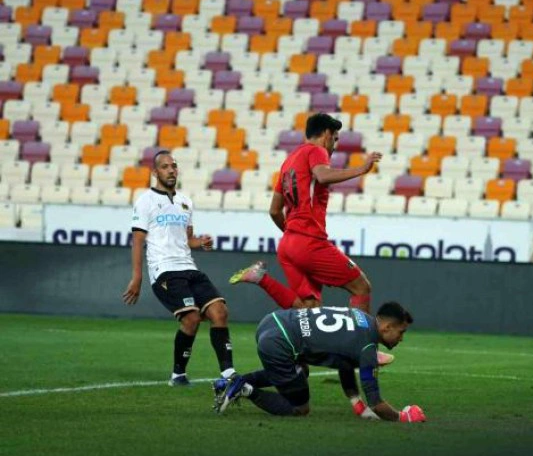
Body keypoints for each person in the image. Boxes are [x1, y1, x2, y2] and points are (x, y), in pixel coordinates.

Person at [229, 112, 394, 364]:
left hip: (288, 244)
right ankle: (364, 350)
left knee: (308, 308)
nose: (334, 146)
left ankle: (261, 278)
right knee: (361, 287)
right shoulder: (316, 151)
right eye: (335, 139)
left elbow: (274, 210)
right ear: (326, 134)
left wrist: (292, 236)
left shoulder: (288, 163)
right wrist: (362, 169)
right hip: (309, 241)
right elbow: (323, 176)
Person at [122, 150, 238, 386]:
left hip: (189, 268)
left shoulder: (186, 202)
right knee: (191, 318)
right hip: (164, 271)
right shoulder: (145, 201)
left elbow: (187, 240)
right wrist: (137, 277)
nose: (171, 170)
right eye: (165, 167)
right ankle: (178, 374)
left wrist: (201, 242)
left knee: (220, 312)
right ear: (155, 172)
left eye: (173, 166)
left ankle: (228, 373)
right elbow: (138, 241)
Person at [213, 302, 426, 424]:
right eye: (401, 332)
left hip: (273, 321)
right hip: (280, 343)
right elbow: (377, 404)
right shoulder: (368, 349)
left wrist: (357, 405)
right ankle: (245, 389)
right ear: (387, 327)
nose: (401, 338)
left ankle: (231, 383)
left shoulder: (361, 316)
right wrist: (404, 416)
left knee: (300, 371)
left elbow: (345, 364)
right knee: (300, 408)